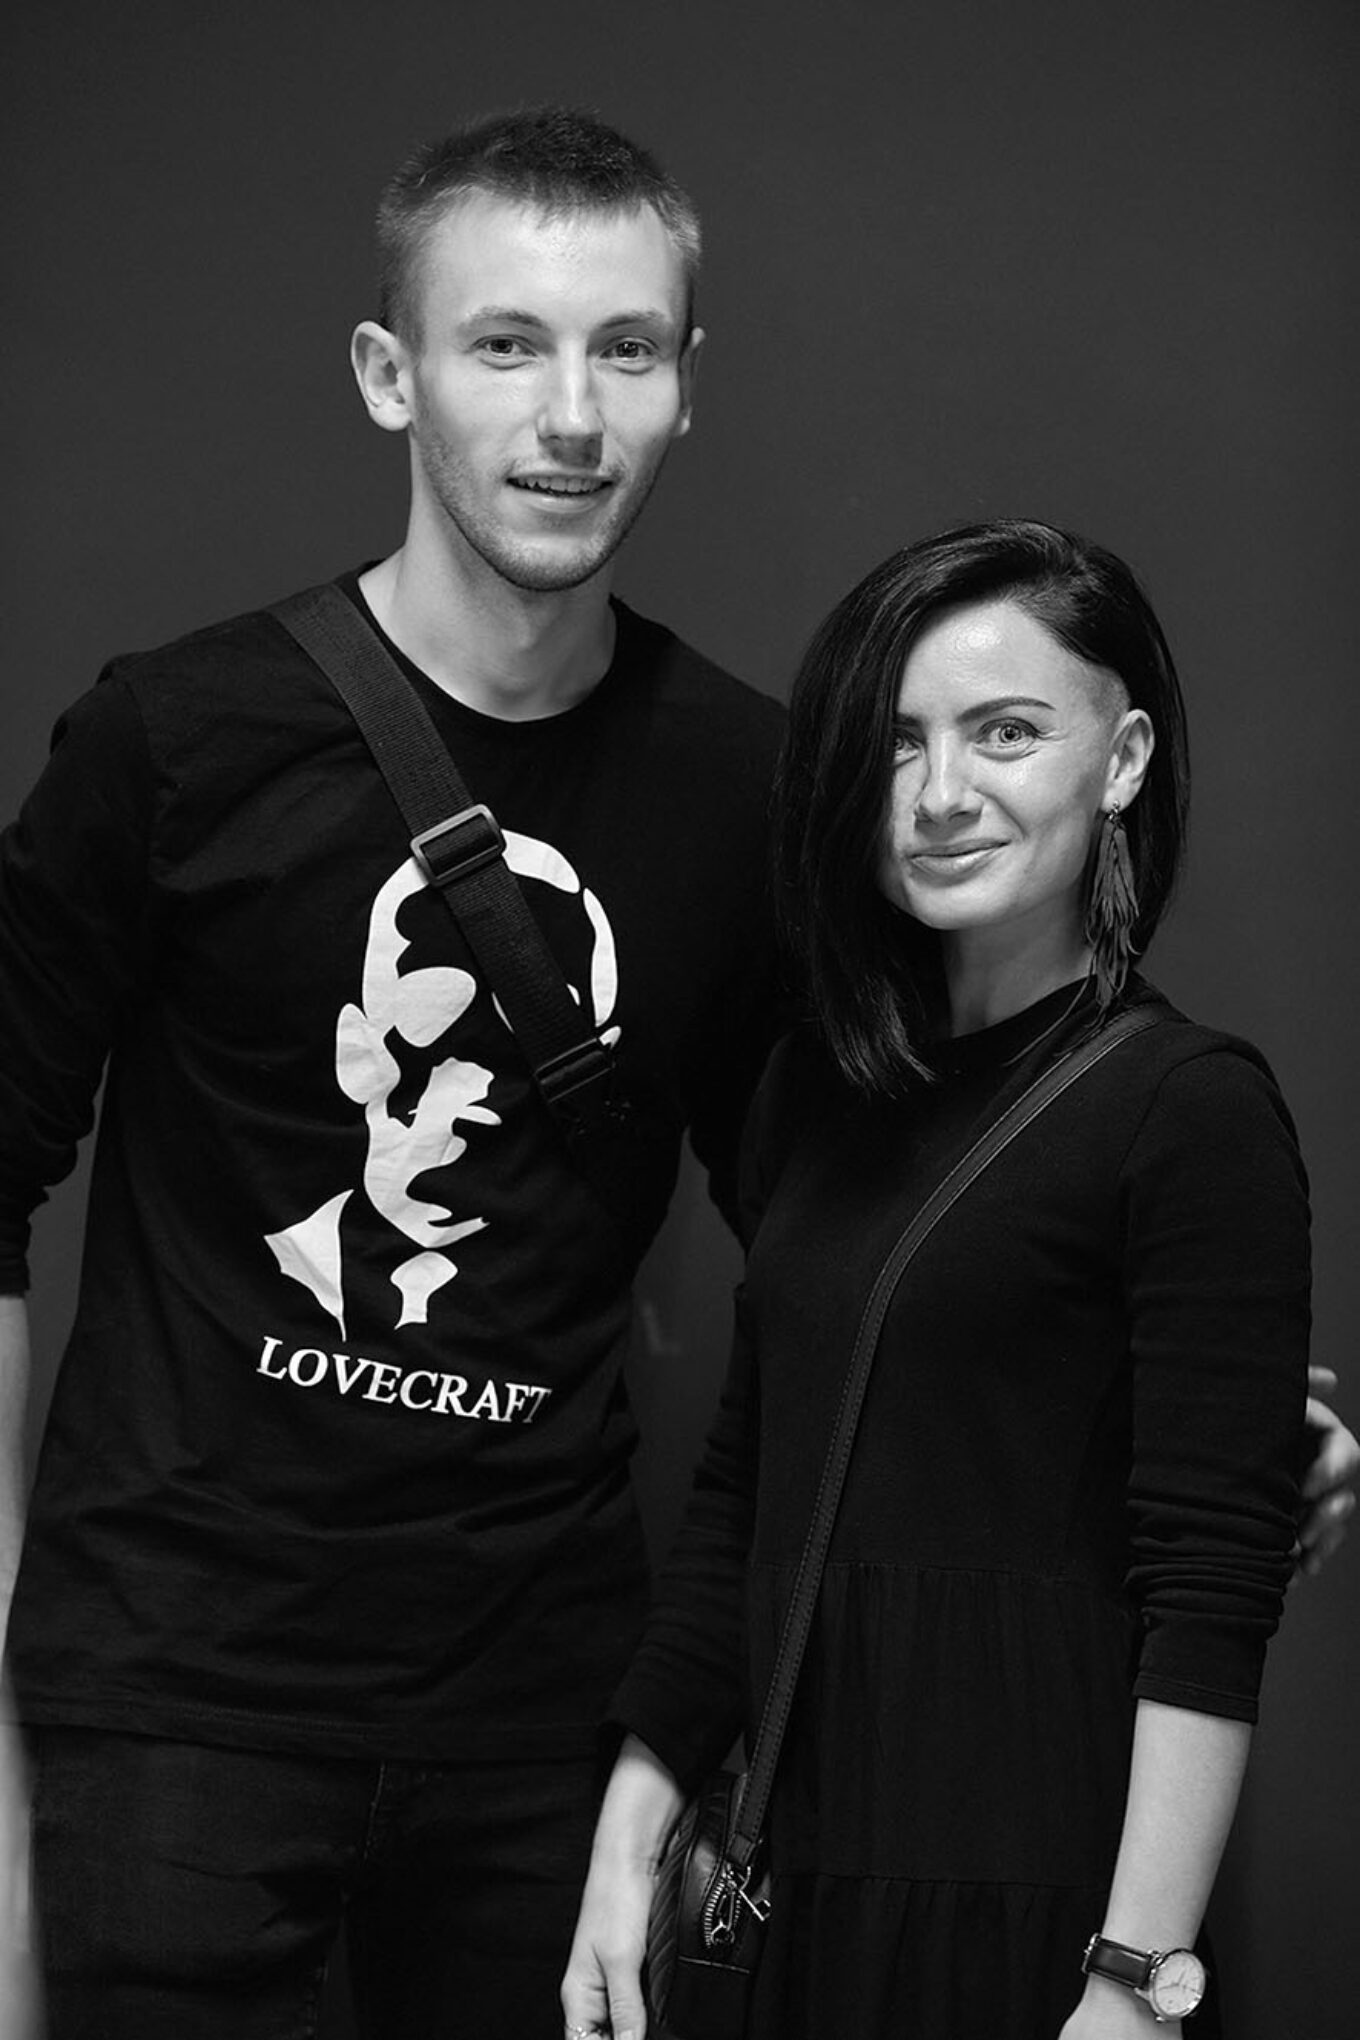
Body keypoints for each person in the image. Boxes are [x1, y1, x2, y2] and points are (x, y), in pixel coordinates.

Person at [0, 108, 786, 2039]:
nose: (573, 414)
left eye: (627, 348)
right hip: (169, 1710)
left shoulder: (744, 788)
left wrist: (1155, 1404)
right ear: (389, 373)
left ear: (687, 385)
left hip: (545, 1726)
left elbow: (849, 1217)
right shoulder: (177, 739)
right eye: (505, 343)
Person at [563, 520, 1341, 2039]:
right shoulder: (811, 1091)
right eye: (898, 742)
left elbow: (1208, 1592)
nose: (938, 793)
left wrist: (1135, 1985)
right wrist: (629, 1836)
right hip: (787, 1883)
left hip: (1033, 1904)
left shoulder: (1186, 1109)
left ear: (1123, 761)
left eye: (1005, 733)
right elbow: (747, 1491)